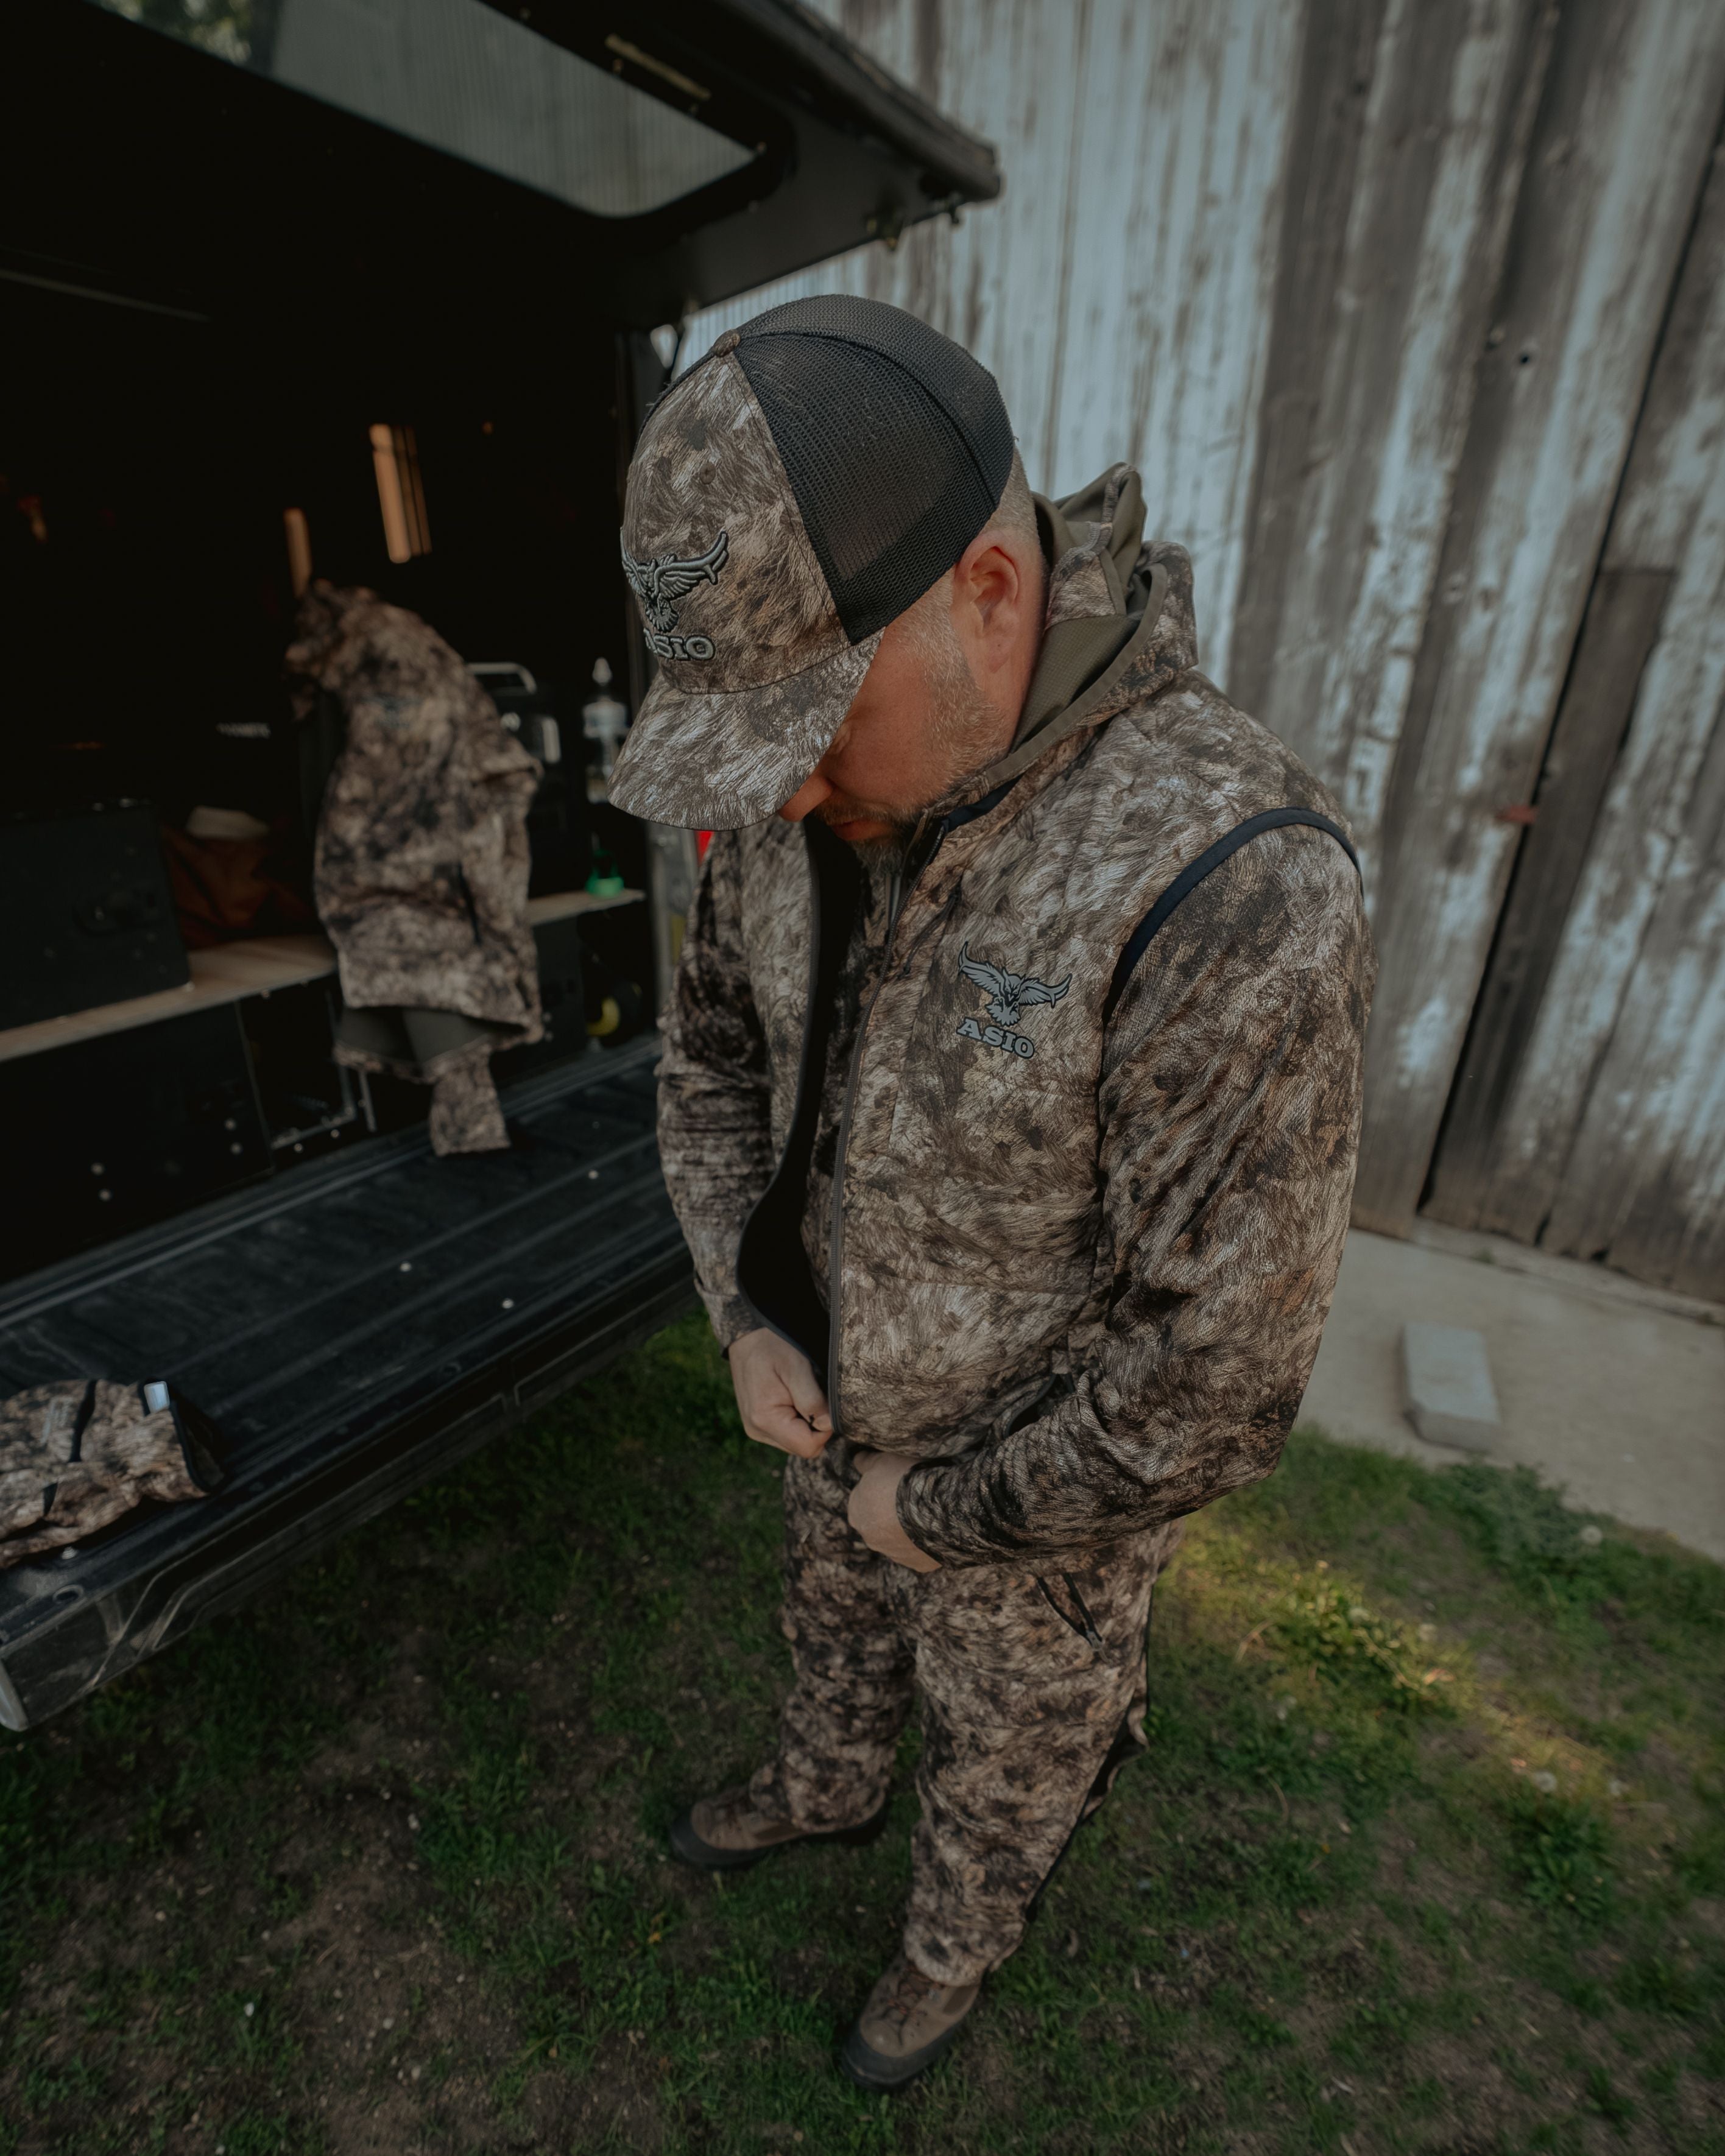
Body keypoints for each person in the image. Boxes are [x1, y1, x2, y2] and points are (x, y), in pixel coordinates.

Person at [607, 295, 1375, 2092]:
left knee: (1010, 1753)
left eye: (810, 717)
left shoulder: (1239, 874)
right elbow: (710, 1051)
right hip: (825, 1419)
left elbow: (1218, 1381)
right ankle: (818, 1785)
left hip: (1036, 1513)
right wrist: (738, 1304)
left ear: (991, 596)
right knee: (831, 1651)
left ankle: (948, 1954)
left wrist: (933, 1507)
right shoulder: (801, 808)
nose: (780, 783)